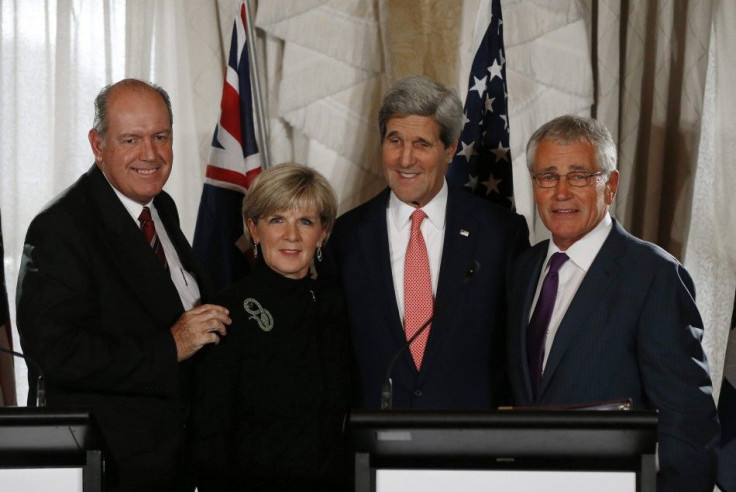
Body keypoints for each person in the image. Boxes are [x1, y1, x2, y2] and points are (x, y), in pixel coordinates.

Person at [16, 79, 232, 491]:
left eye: (160, 137)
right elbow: (56, 352)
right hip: (111, 467)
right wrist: (171, 345)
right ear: (98, 145)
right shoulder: (59, 228)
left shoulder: (159, 206)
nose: (150, 154)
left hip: (179, 459)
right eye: (131, 139)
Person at [507, 115, 719, 491]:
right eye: (548, 176)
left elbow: (687, 422)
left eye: (579, 176)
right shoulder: (522, 270)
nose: (561, 192)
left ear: (611, 185)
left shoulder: (653, 275)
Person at [322, 75, 530, 410]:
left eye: (422, 144)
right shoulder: (346, 237)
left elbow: (520, 350)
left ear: (449, 149)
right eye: (395, 141)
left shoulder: (500, 234)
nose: (405, 160)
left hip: (472, 447)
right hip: (375, 446)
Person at [190, 163, 350, 491]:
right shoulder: (226, 310)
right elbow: (209, 436)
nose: (291, 235)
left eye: (305, 221)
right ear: (254, 229)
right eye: (277, 219)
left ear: (323, 233)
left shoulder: (342, 307)